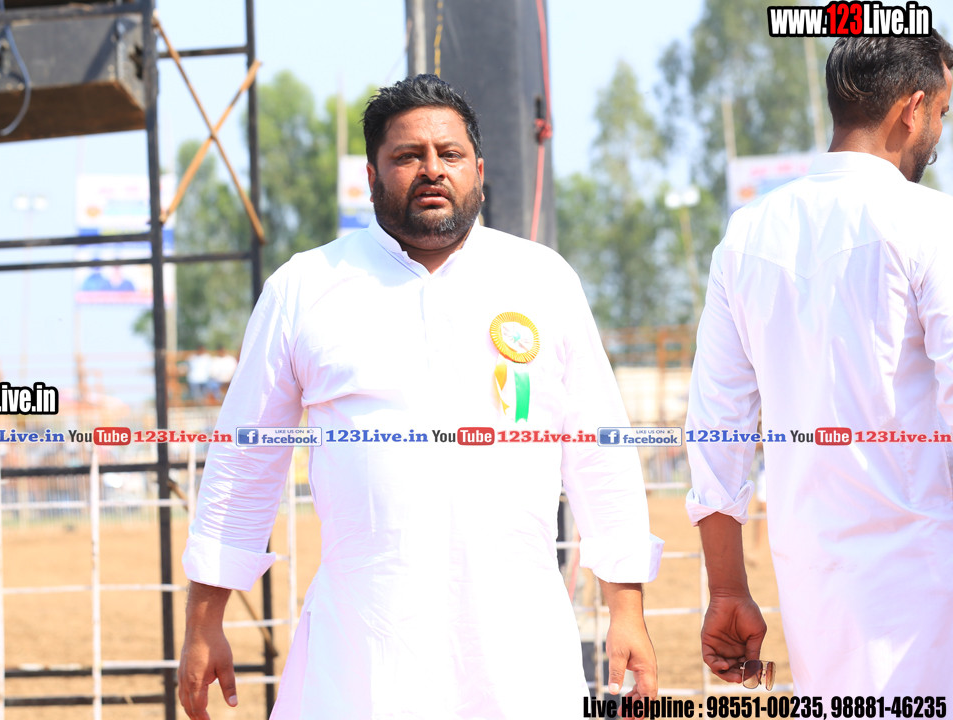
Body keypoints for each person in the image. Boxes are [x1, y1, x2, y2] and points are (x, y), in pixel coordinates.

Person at [178, 74, 663, 720]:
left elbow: (599, 451)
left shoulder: (542, 279)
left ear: (479, 172)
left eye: (450, 154)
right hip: (365, 646)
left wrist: (626, 609)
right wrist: (203, 622)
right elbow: (245, 461)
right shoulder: (305, 287)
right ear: (372, 177)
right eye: (407, 156)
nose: (432, 169)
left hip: (517, 643)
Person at [686, 34, 953, 696]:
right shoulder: (931, 221)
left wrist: (727, 589)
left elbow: (717, 426)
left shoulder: (747, 235)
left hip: (812, 590)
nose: (939, 138)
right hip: (928, 585)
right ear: (913, 109)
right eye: (944, 114)